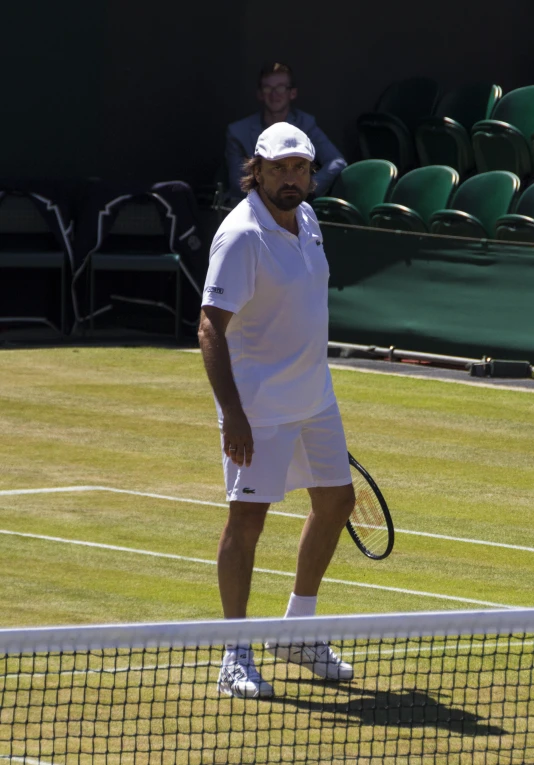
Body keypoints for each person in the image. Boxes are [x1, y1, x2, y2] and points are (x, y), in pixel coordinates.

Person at [198, 121, 356, 699]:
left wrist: (311, 387)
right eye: (280, 168)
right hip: (257, 410)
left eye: (301, 168)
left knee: (338, 501)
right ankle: (234, 652)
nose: (291, 179)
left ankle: (297, 631)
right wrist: (233, 414)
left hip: (315, 401)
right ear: (257, 170)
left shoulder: (309, 221)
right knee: (248, 522)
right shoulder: (241, 235)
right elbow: (210, 327)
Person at [225, 62, 347, 202]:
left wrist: (306, 188)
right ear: (259, 94)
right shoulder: (237, 132)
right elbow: (237, 185)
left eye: (281, 87)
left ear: (292, 93)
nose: (274, 94)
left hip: (295, 207)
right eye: (267, 88)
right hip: (252, 208)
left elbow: (337, 162)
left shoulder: (306, 124)